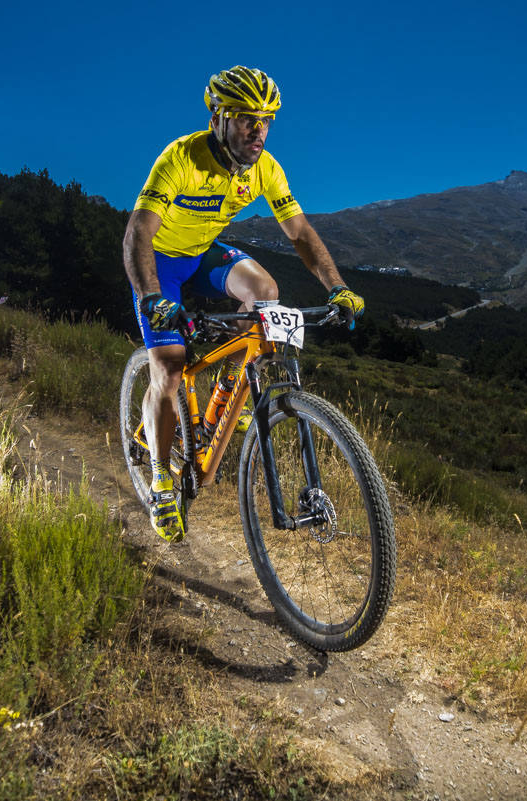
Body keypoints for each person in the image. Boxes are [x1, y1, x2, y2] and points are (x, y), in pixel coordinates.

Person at [123, 65, 365, 543]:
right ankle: (161, 479)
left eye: (267, 120)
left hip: (202, 255)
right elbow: (138, 234)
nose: (259, 131)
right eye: (246, 119)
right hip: (161, 263)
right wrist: (152, 297)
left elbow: (299, 233)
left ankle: (227, 383)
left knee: (266, 294)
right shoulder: (180, 158)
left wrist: (336, 287)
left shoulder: (266, 169)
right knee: (169, 371)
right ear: (218, 117)